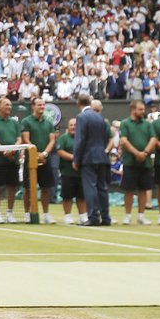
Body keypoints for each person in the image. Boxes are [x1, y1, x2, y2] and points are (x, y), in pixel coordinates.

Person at [73, 94, 111, 226]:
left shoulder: (81, 117)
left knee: (90, 188)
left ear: (78, 103)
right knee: (102, 187)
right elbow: (106, 137)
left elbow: (80, 140)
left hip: (88, 157)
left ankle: (93, 217)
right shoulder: (100, 117)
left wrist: (76, 159)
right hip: (101, 155)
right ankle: (106, 217)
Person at [20, 97, 59, 224]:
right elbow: (26, 139)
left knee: (45, 188)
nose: (42, 107)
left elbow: (52, 140)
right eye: (39, 105)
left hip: (44, 159)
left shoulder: (49, 123)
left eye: (43, 105)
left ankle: (46, 215)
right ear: (33, 106)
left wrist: (44, 154)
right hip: (30, 160)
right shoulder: (26, 121)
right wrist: (35, 153)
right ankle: (27, 214)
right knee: (28, 189)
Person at [118, 100, 155, 226]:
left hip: (145, 162)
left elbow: (153, 139)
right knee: (129, 190)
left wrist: (144, 153)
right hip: (130, 162)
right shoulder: (125, 123)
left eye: (143, 109)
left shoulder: (148, 124)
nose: (143, 112)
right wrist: (136, 154)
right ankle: (127, 216)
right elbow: (124, 140)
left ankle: (141, 215)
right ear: (133, 110)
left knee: (143, 189)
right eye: (140, 109)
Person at [0, 97, 22, 223]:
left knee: (11, 187)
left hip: (13, 160)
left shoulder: (14, 123)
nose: (9, 107)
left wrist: (14, 149)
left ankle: (10, 213)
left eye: (10, 105)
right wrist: (4, 151)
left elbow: (19, 138)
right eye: (6, 104)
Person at [55, 118, 88, 225]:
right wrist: (75, 158)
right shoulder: (63, 138)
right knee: (67, 196)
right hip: (67, 172)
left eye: (75, 125)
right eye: (71, 125)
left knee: (81, 196)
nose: (73, 127)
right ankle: (68, 216)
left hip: (81, 173)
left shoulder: (83, 138)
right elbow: (60, 151)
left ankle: (83, 216)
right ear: (68, 127)